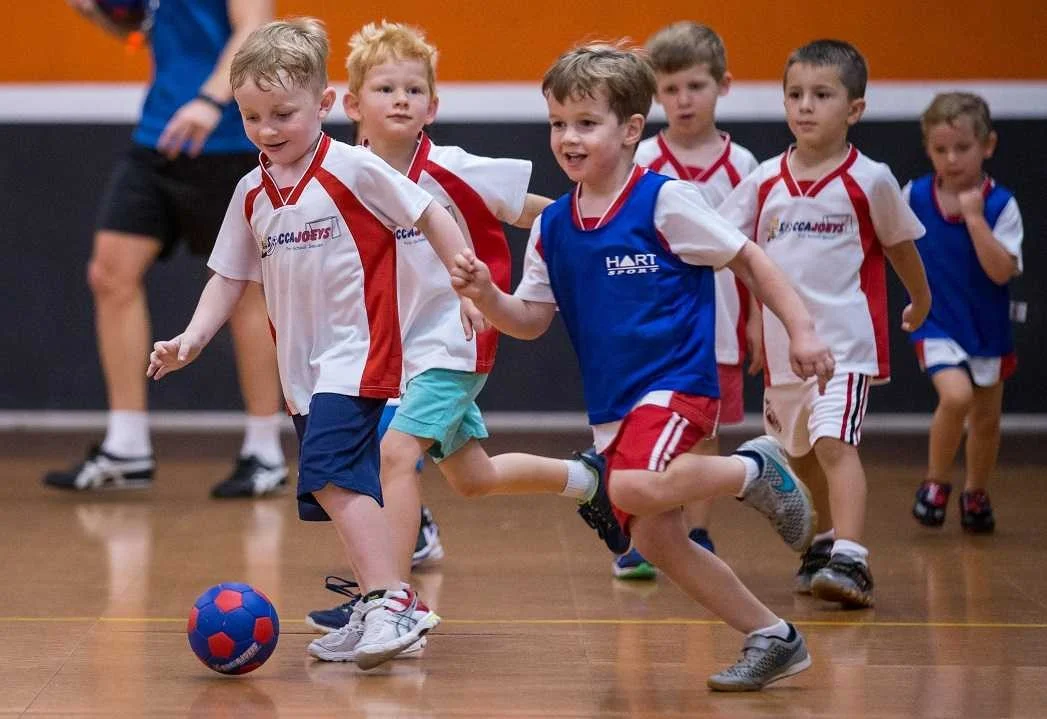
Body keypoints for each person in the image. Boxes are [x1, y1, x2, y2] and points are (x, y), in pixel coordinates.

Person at [452, 41, 833, 692]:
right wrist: (487, 298)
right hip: (613, 404)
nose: (567, 138)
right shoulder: (552, 229)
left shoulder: (663, 201)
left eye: (585, 122)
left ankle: (753, 468)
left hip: (677, 383)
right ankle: (772, 634)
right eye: (557, 123)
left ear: (630, 129)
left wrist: (798, 328)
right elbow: (532, 319)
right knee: (655, 539)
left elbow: (748, 257)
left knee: (625, 488)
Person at [147, 18, 468, 670]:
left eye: (283, 113)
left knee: (328, 475)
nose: (267, 129)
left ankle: (391, 599)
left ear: (323, 103)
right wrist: (192, 338)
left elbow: (426, 209)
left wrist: (466, 278)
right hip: (302, 371)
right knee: (343, 485)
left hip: (359, 355)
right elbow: (228, 277)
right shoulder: (250, 193)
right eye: (252, 116)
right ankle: (373, 603)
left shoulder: (354, 168)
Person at [304, 20, 625, 646]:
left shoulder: (454, 169)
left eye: (414, 89)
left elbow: (538, 211)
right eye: (385, 87)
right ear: (350, 104)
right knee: (472, 477)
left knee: (392, 456)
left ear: (433, 105)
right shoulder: (340, 177)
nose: (401, 99)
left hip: (453, 344)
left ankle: (388, 602)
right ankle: (589, 481)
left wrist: (596, 231)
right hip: (391, 353)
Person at [45, 0, 288, 499]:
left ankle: (264, 451)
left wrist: (210, 100)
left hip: (229, 137)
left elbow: (254, 27)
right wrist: (98, 14)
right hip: (160, 133)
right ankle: (127, 446)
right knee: (110, 273)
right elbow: (147, 30)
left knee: (246, 290)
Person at [718, 39, 931, 608]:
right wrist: (756, 325)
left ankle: (853, 559)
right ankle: (829, 540)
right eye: (795, 94)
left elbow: (903, 246)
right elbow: (726, 244)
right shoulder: (764, 181)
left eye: (821, 94)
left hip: (845, 347)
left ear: (854, 109)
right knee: (801, 451)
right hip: (786, 352)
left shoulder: (871, 179)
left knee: (835, 443)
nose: (804, 106)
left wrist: (921, 300)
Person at [614, 21, 762, 579]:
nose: (682, 100)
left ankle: (696, 532)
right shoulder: (642, 157)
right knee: (642, 429)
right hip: (650, 327)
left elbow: (753, 253)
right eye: (670, 89)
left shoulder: (743, 166)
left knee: (704, 435)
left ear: (723, 85)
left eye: (694, 86)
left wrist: (758, 323)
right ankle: (644, 534)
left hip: (718, 325)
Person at [907, 92, 1023, 534]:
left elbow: (999, 272)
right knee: (956, 397)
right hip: (936, 322)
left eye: (962, 148)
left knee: (987, 420)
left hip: (988, 326)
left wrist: (975, 220)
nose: (951, 159)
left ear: (987, 146)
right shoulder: (914, 196)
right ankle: (935, 482)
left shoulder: (1001, 205)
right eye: (940, 150)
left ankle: (976, 491)